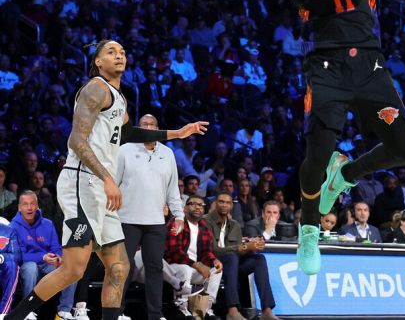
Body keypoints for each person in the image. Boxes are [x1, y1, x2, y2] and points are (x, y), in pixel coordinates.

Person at [213, 0, 405, 275]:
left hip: (371, 65)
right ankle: (309, 228)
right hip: (327, 67)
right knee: (319, 151)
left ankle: (347, 174)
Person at [2, 40, 209, 320]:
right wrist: (108, 179)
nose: (119, 55)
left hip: (101, 185)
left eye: (122, 52)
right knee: (74, 268)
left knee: (119, 267)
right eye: (111, 52)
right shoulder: (95, 89)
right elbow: (76, 140)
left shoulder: (118, 97)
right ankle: (14, 317)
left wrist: (176, 133)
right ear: (98, 61)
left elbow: (128, 134)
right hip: (82, 181)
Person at [115, 114, 184, 320]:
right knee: (122, 269)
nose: (148, 127)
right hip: (126, 220)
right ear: (138, 127)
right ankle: (117, 312)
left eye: (152, 124)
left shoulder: (168, 153)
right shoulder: (124, 150)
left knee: (155, 268)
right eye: (144, 124)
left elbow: (172, 188)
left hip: (155, 221)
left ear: (158, 128)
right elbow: (113, 184)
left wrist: (178, 215)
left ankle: (155, 314)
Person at [204, 192, 279, 320]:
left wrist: (251, 247)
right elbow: (213, 250)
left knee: (259, 259)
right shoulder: (205, 221)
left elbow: (240, 251)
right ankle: (232, 311)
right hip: (212, 263)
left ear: (232, 206)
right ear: (216, 203)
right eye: (221, 202)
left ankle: (266, 311)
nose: (224, 205)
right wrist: (243, 247)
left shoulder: (235, 225)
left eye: (228, 203)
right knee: (232, 257)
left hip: (233, 267)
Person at [11, 191, 76, 319]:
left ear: (37, 206)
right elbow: (19, 256)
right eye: (25, 204)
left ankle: (64, 311)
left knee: (70, 267)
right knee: (30, 267)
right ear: (19, 207)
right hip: (27, 265)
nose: (29, 208)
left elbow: (56, 247)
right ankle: (26, 310)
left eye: (32, 204)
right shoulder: (13, 227)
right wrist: (42, 257)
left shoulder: (48, 224)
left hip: (48, 264)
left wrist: (58, 258)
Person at [164, 195, 222, 320]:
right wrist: (196, 264)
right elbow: (174, 252)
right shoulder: (177, 222)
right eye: (193, 204)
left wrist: (214, 260)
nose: (197, 207)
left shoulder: (204, 226)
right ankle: (181, 309)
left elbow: (207, 251)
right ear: (185, 208)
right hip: (173, 266)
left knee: (216, 270)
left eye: (201, 205)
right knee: (185, 269)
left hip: (195, 268)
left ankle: (205, 308)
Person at [0, 215, 20, 316]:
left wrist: (2, 257)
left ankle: (3, 313)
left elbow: (15, 255)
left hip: (2, 266)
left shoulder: (7, 228)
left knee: (13, 266)